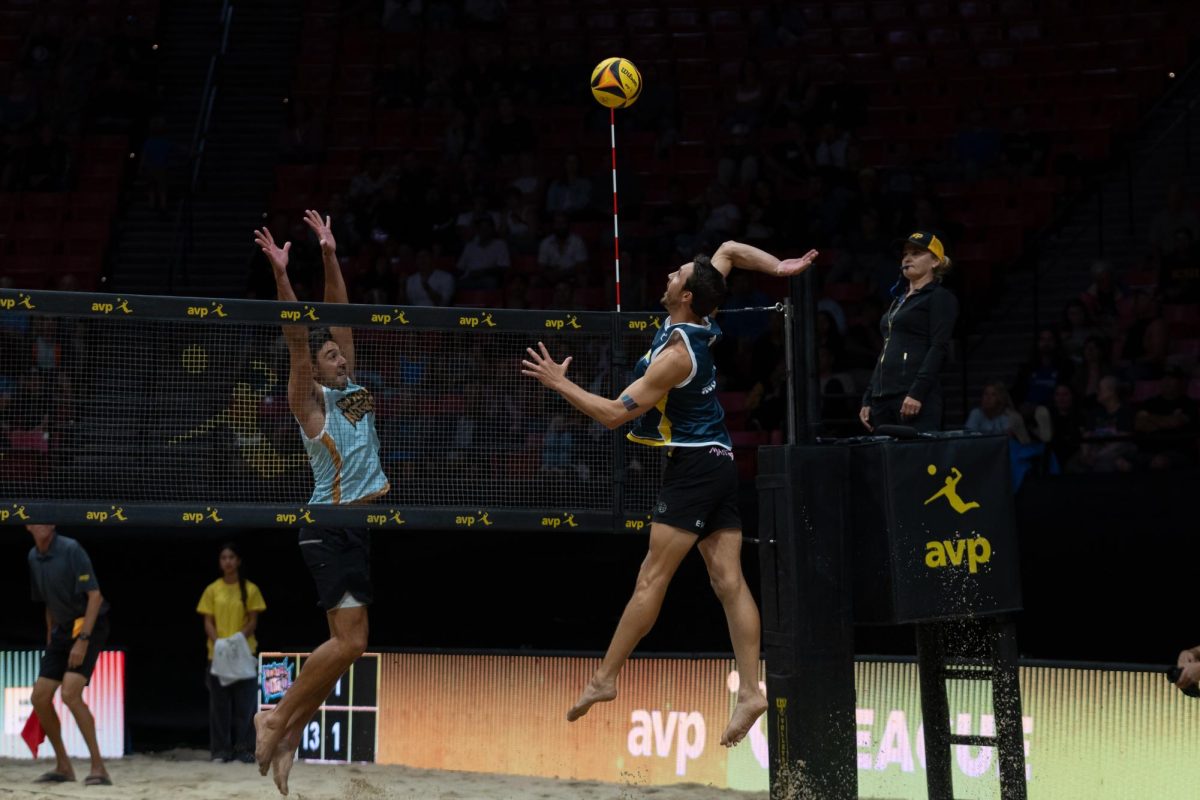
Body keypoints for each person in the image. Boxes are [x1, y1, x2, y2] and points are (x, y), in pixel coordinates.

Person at [521, 240, 818, 747]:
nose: (669, 274)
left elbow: (614, 414)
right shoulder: (703, 304)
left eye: (675, 274)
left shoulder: (677, 357)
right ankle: (750, 690)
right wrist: (779, 267)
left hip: (696, 468)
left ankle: (605, 678)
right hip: (720, 459)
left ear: (684, 296)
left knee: (650, 578)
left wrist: (558, 384)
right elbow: (727, 251)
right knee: (727, 580)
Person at [251, 210, 388, 795]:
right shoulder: (310, 405)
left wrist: (330, 253)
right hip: (326, 525)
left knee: (350, 646)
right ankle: (276, 717)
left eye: (340, 354)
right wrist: (283, 275)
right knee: (350, 642)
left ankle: (286, 733)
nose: (340, 357)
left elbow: (340, 314)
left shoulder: (353, 390)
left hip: (355, 527)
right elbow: (299, 335)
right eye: (332, 355)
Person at [25, 524, 112, 786]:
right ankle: (64, 766)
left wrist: (83, 641)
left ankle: (99, 768)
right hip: (62, 630)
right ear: (28, 526)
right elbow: (48, 602)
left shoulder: (71, 549)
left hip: (89, 624)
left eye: (46, 520)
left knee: (70, 694)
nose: (41, 525)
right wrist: (51, 638)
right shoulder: (33, 557)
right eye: (35, 520)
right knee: (39, 697)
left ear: (52, 525)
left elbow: (95, 597)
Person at [860, 231, 959, 433]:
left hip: (912, 398)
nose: (907, 258)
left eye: (917, 253)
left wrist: (917, 393)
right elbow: (885, 350)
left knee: (918, 461)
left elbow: (938, 347)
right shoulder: (898, 301)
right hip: (882, 399)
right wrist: (869, 396)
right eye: (905, 253)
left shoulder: (939, 297)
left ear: (935, 262)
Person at [196, 542, 267, 764]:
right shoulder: (212, 589)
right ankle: (220, 751)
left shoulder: (250, 589)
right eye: (223, 558)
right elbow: (208, 620)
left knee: (245, 707)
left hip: (243, 654)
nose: (227, 561)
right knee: (219, 707)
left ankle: (244, 750)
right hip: (217, 655)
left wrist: (235, 640)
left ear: (238, 561)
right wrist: (220, 643)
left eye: (231, 557)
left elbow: (252, 621)